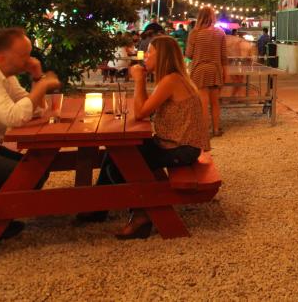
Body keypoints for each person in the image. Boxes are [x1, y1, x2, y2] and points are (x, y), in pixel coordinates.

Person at [85, 35, 210, 239]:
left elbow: (140, 112)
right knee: (115, 152)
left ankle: (142, 212)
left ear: (162, 57)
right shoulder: (174, 78)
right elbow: (144, 109)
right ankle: (99, 207)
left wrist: (139, 79)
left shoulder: (171, 80)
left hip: (181, 149)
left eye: (150, 52)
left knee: (118, 165)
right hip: (175, 144)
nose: (145, 57)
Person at [0, 28, 61, 189]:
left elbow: (37, 111)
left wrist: (37, 76)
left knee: (38, 171)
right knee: (30, 176)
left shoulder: (5, 75)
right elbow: (14, 117)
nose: (30, 60)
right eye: (24, 56)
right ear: (1, 58)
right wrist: (41, 87)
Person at [185, 6, 228, 137]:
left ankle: (204, 132)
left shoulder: (194, 33)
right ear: (213, 17)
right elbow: (224, 57)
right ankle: (216, 129)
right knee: (215, 102)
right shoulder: (221, 33)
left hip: (199, 70)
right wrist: (224, 74)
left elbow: (189, 54)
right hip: (215, 71)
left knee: (203, 103)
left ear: (200, 17)